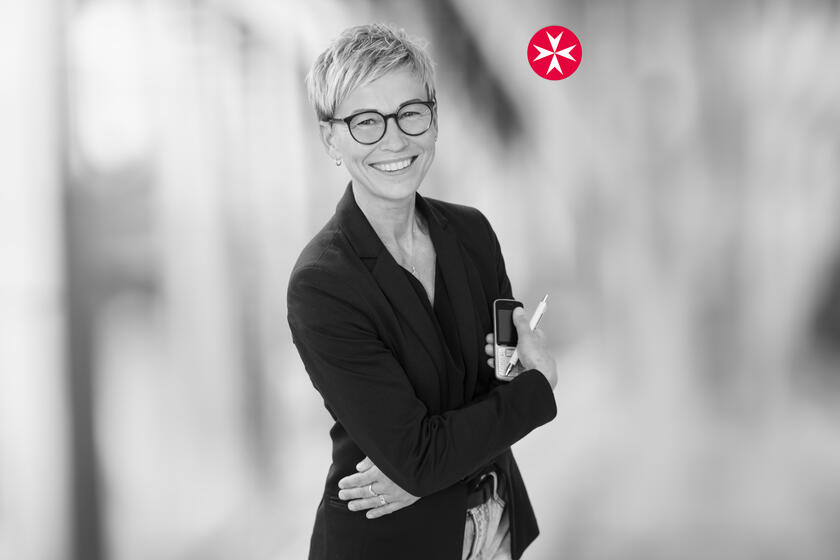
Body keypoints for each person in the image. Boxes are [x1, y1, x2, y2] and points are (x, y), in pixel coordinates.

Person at [287, 23, 559, 560]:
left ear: (434, 119)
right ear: (330, 138)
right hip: (392, 543)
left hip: (496, 523)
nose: (395, 140)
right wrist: (541, 384)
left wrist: (432, 462)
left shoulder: (473, 233)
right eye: (366, 121)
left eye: (411, 112)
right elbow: (420, 457)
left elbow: (500, 376)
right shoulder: (322, 284)